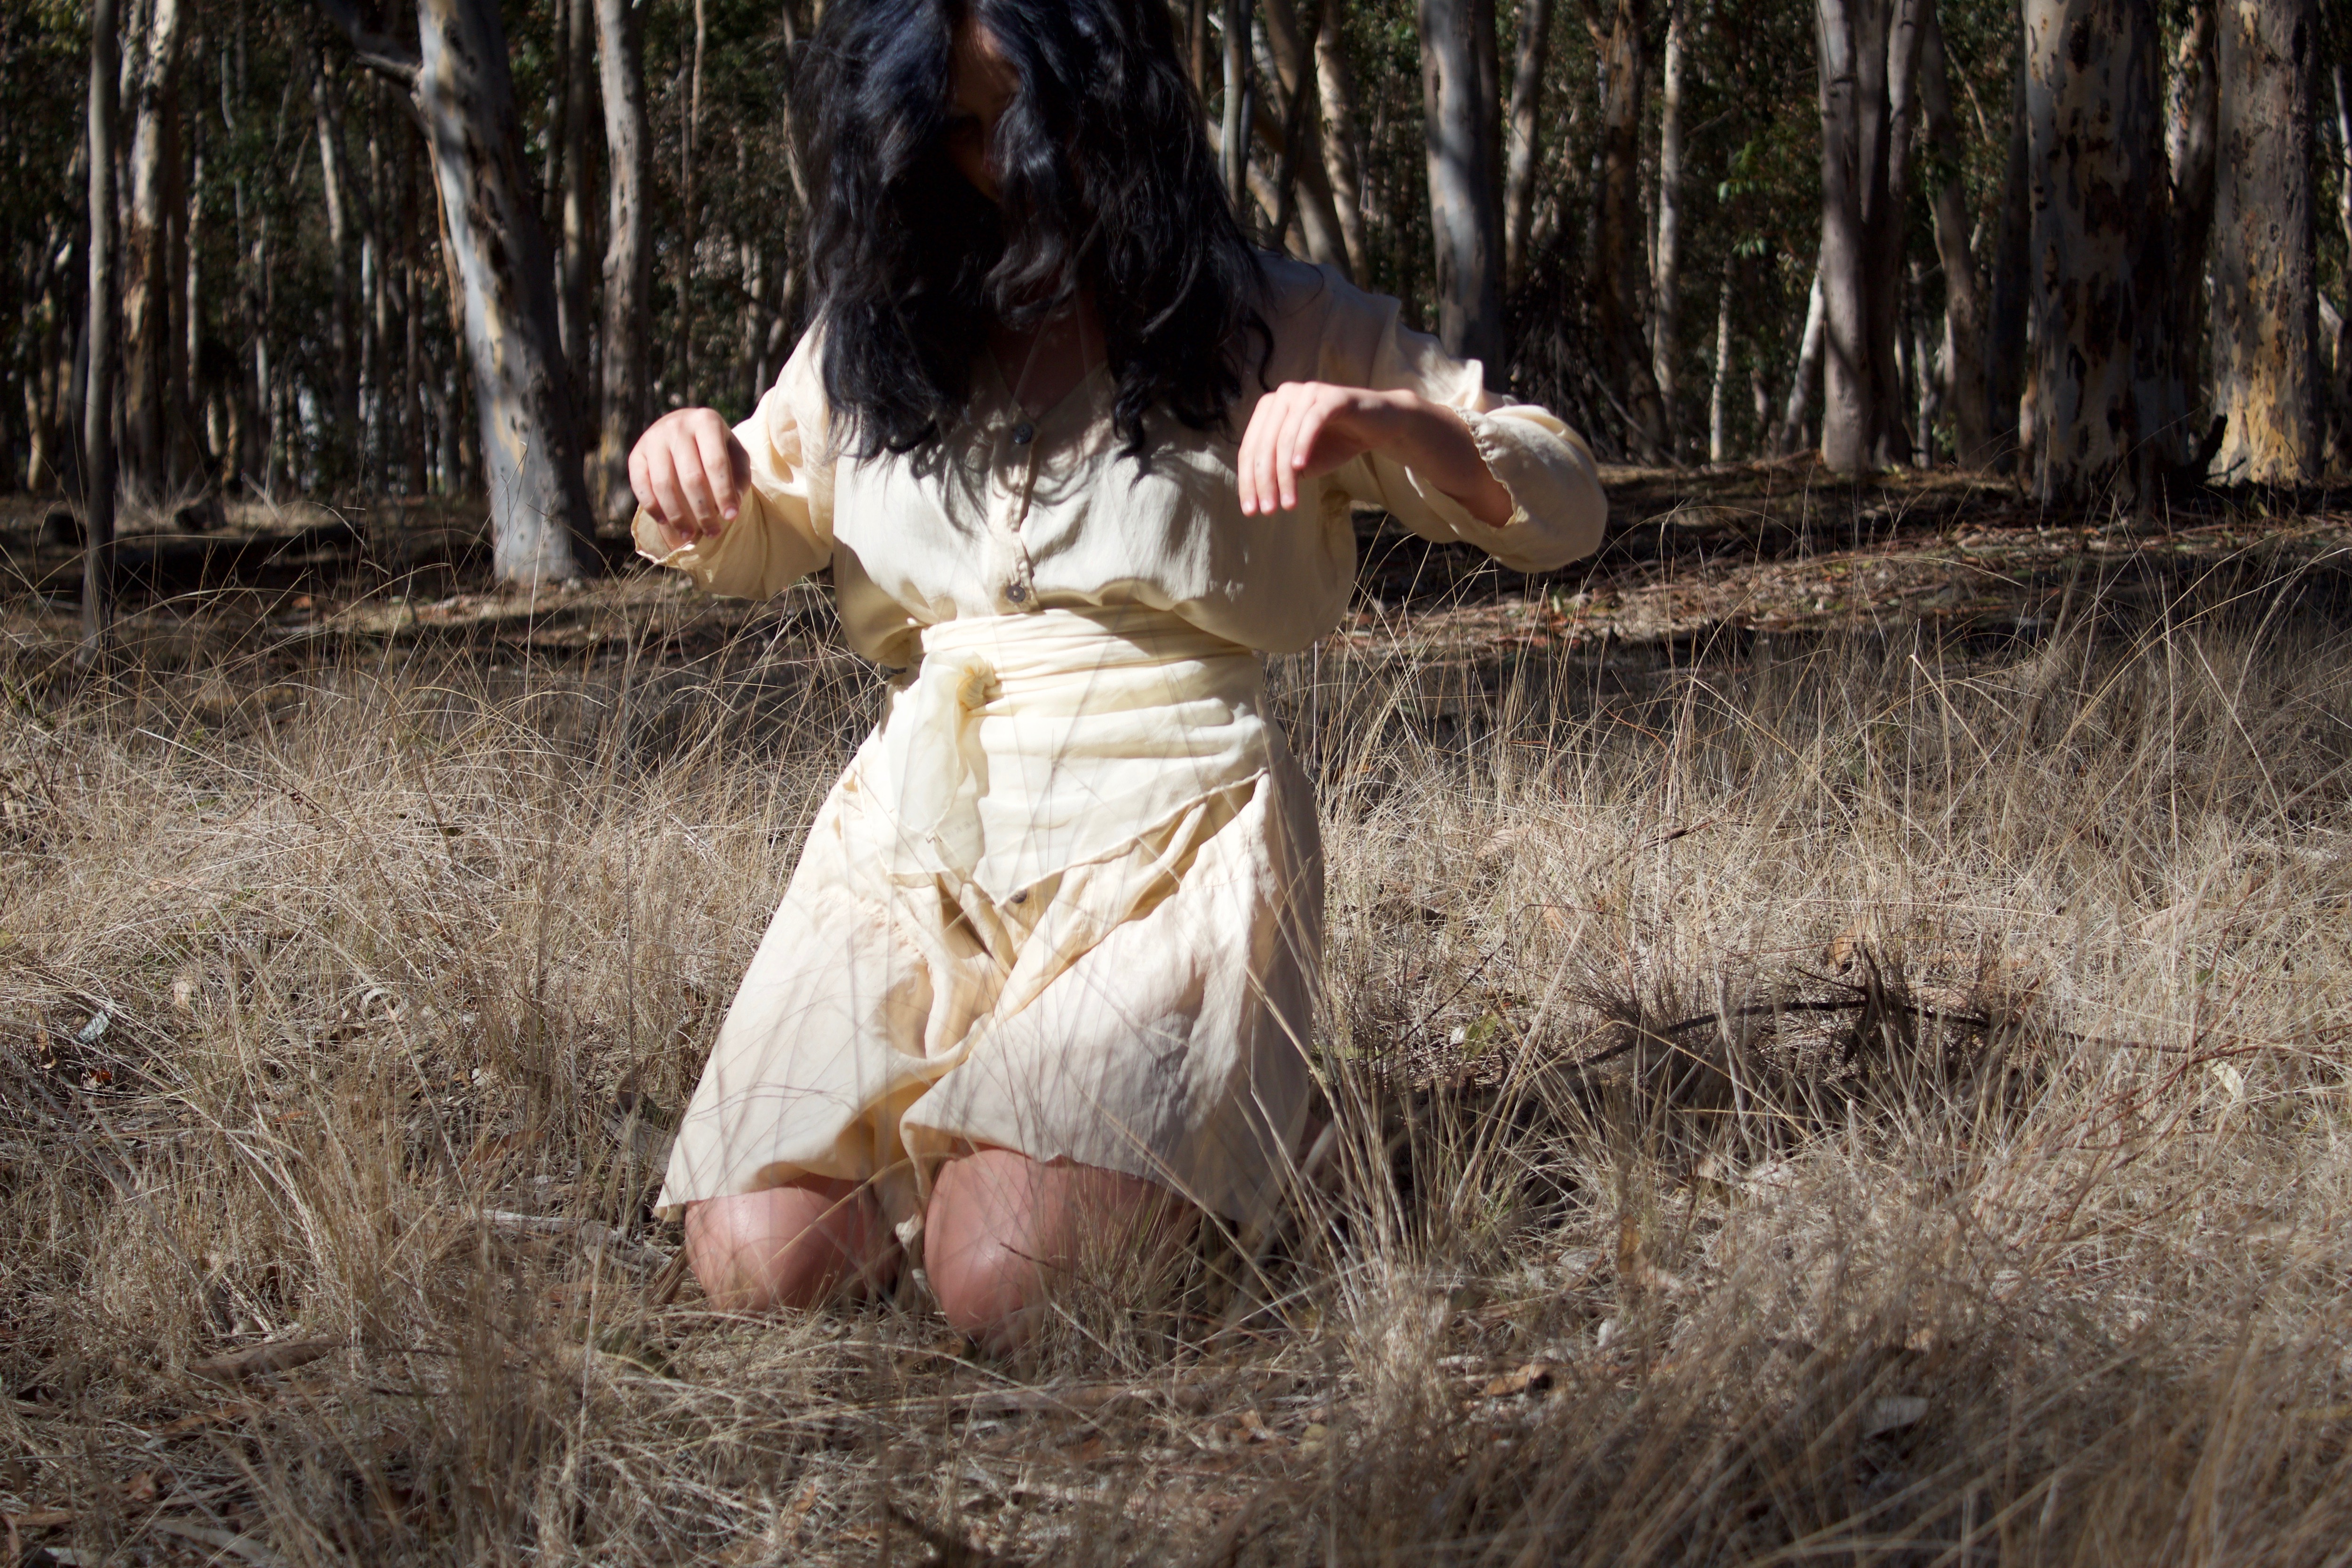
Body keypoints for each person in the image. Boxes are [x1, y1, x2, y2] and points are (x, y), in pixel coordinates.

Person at [628, 0, 1607, 1352]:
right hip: (915, 828)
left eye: (1031, 113)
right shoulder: (881, 329)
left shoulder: (1274, 316)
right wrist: (686, 462)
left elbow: (1564, 503)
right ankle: (1049, 1131)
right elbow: (753, 519)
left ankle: (1261, 1141)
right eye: (959, 127)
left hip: (1173, 824)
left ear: (1119, 95)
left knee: (1009, 1283)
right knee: (760, 1263)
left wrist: (1394, 424)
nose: (1001, 160)